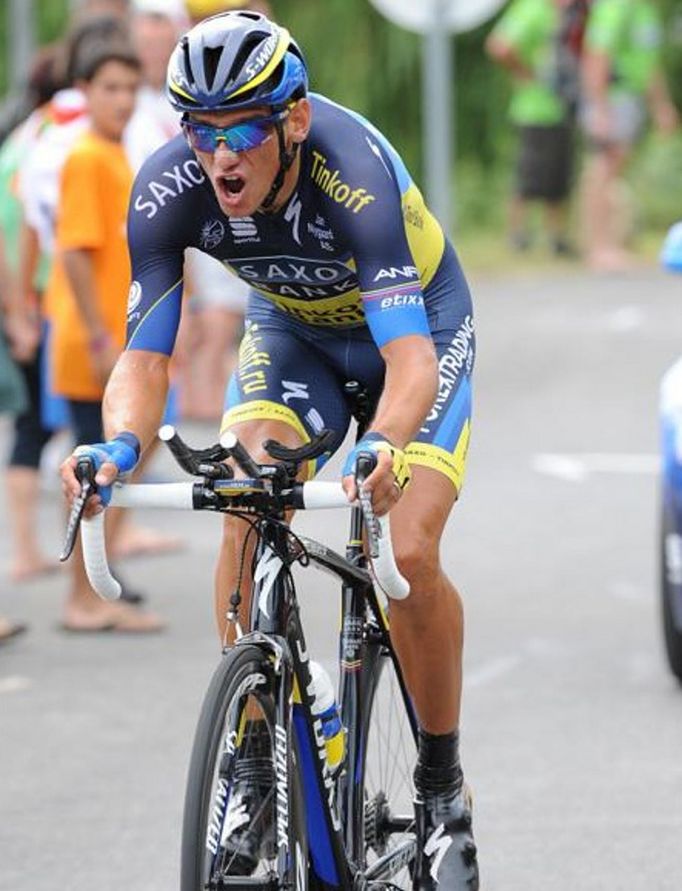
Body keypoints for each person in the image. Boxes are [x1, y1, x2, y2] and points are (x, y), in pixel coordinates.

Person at [61, 12, 479, 887]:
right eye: (201, 129)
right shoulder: (168, 186)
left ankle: (440, 786)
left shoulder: (351, 171)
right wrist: (116, 447)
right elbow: (144, 357)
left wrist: (388, 446)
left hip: (413, 330)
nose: (221, 155)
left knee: (407, 547)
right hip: (294, 335)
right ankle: (252, 751)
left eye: (243, 127)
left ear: (292, 120)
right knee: (244, 493)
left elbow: (409, 360)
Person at [49, 41, 163, 632]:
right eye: (108, 88)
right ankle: (83, 599)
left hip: (116, 337)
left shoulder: (119, 155)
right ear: (84, 92)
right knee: (98, 463)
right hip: (92, 341)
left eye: (129, 89)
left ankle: (100, 578)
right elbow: (72, 252)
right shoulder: (88, 157)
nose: (120, 100)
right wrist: (100, 338)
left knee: (138, 451)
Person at [580, 0, 679, 271]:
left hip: (630, 98)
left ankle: (612, 244)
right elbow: (597, 54)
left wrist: (660, 105)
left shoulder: (645, 11)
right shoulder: (616, 7)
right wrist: (599, 107)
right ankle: (599, 249)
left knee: (614, 170)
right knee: (602, 168)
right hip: (612, 97)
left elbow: (648, 63)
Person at [486, 0, 588, 256]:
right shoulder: (532, 8)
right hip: (535, 108)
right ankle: (518, 235)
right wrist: (525, 73)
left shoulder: (573, 13)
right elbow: (499, 46)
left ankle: (557, 238)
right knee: (528, 176)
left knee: (559, 177)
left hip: (563, 105)